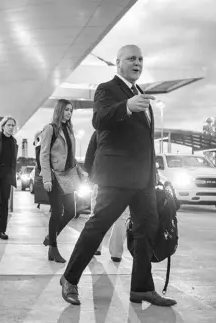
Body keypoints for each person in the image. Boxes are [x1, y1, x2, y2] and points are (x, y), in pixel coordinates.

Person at [60, 45, 177, 307]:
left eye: (141, 59)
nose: (137, 63)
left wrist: (154, 174)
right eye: (131, 58)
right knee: (98, 226)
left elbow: (144, 141)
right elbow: (99, 120)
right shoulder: (108, 89)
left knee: (146, 230)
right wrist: (126, 106)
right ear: (118, 63)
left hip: (144, 179)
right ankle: (69, 278)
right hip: (117, 176)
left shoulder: (140, 94)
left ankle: (142, 288)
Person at [40, 99, 85, 263]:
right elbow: (43, 154)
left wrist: (81, 172)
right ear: (60, 110)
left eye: (71, 110)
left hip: (68, 176)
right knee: (57, 210)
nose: (69, 113)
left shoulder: (69, 130)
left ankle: (51, 236)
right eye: (66, 110)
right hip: (53, 176)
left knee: (72, 210)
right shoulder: (50, 129)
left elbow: (71, 157)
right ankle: (53, 248)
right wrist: (46, 178)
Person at [85, 130, 129, 261]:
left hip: (102, 181)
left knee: (96, 215)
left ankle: (95, 247)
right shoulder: (131, 131)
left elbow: (89, 158)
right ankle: (116, 253)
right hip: (124, 182)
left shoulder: (100, 131)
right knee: (121, 217)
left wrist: (94, 176)